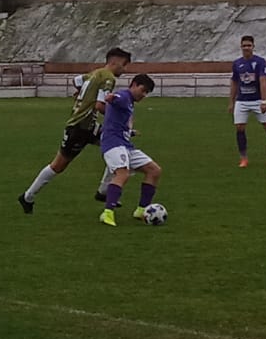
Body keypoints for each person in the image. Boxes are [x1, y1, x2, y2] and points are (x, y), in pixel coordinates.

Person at [18, 47, 131, 213]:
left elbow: (76, 80)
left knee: (118, 146)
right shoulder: (108, 78)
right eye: (124, 65)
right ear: (114, 62)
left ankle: (103, 192)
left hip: (88, 126)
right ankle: (27, 197)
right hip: (79, 127)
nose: (125, 69)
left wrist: (81, 95)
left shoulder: (94, 73)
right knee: (58, 166)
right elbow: (101, 106)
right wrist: (119, 117)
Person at [98, 73, 161, 226]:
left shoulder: (130, 101)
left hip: (125, 144)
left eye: (147, 93)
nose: (144, 95)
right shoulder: (124, 96)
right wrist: (111, 98)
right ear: (133, 84)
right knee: (123, 174)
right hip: (112, 143)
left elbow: (118, 120)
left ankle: (141, 210)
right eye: (143, 90)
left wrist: (130, 132)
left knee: (154, 171)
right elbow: (116, 99)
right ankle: (107, 213)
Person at [229, 34, 266, 167]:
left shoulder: (259, 62)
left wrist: (264, 101)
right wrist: (231, 101)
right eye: (244, 45)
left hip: (257, 99)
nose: (246, 48)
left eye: (249, 45)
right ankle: (243, 158)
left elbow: (262, 81)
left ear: (253, 47)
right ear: (241, 47)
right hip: (242, 101)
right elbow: (235, 82)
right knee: (240, 128)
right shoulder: (237, 63)